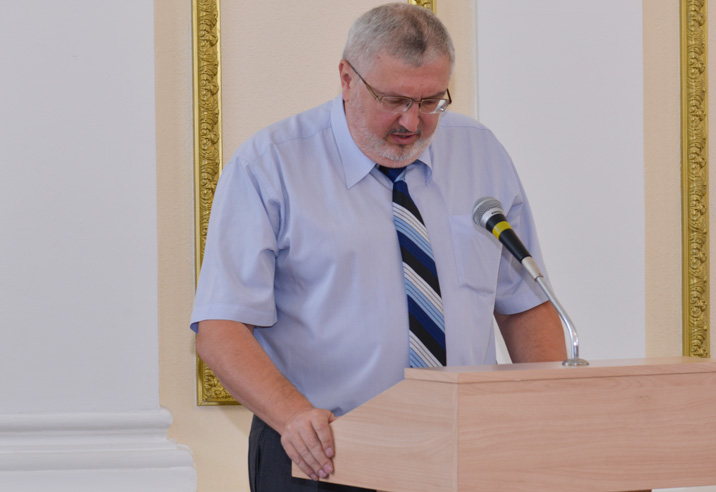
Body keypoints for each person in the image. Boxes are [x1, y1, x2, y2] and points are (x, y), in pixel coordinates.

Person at [191, 3, 566, 491]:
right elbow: (220, 327)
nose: (412, 121)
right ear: (347, 79)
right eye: (394, 100)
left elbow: (525, 306)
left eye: (431, 101)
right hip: (322, 452)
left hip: (461, 449)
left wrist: (551, 417)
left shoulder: (481, 154)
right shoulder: (270, 167)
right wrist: (293, 415)